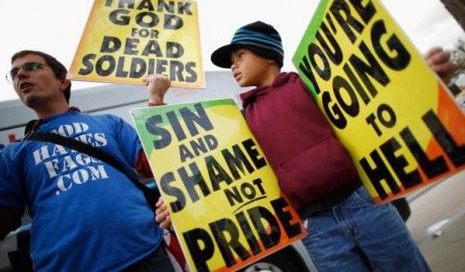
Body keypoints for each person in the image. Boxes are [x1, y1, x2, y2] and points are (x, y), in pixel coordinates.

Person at [209, 21, 457, 272]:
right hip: (316, 228)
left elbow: (370, 96)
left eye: (240, 55)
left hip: (363, 202)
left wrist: (417, 77)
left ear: (268, 55)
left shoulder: (310, 83)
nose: (233, 64)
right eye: (232, 60)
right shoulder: (244, 118)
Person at [0, 50, 175, 272]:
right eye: (14, 73)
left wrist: (156, 100)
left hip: (145, 254)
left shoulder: (109, 123)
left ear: (63, 81)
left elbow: (158, 163)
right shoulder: (14, 153)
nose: (20, 75)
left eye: (32, 67)